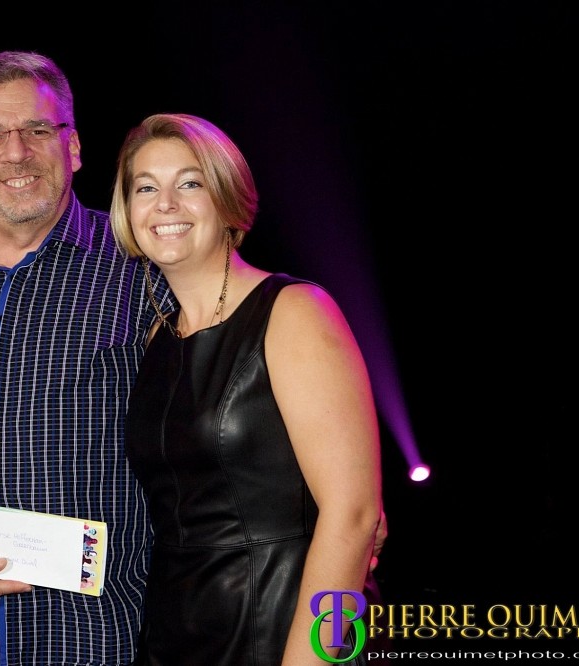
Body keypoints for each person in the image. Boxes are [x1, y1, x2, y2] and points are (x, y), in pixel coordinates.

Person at [0, 51, 388, 666]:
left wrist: (341, 526)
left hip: (112, 638)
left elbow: (254, 404)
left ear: (73, 149)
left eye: (38, 130)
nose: (15, 152)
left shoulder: (143, 269)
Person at [108, 113, 382, 666]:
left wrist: (313, 657)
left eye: (190, 183)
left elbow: (354, 516)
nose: (165, 204)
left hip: (286, 622)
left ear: (227, 198)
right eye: (145, 187)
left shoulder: (295, 311)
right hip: (175, 633)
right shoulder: (158, 337)